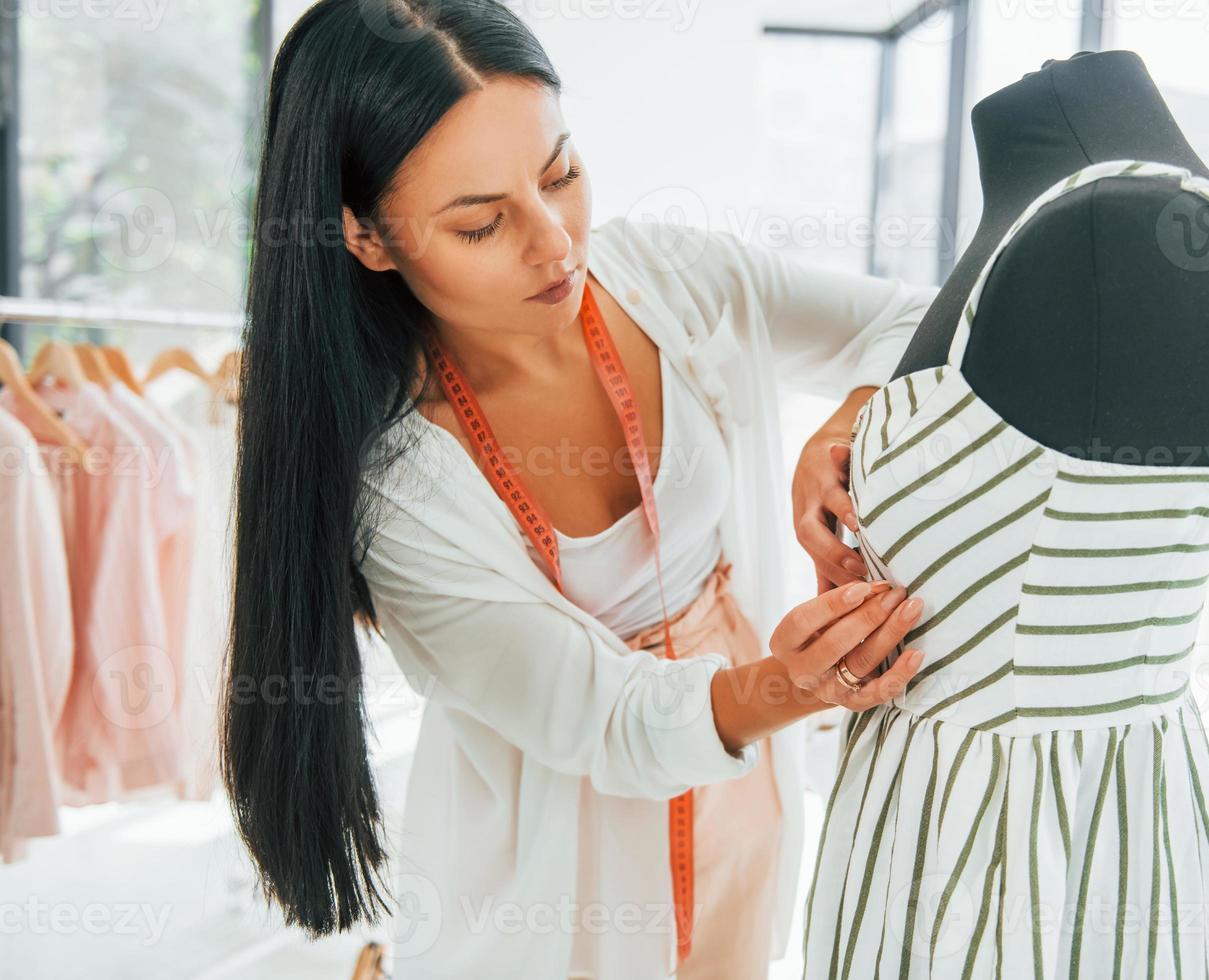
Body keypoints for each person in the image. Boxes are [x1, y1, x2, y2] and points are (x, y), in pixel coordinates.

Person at [219, 1, 938, 977]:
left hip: (741, 783)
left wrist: (846, 422)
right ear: (367, 237)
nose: (556, 244)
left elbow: (917, 326)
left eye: (561, 173)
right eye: (480, 223)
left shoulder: (667, 277)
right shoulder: (399, 491)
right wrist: (791, 685)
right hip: (549, 863)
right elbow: (610, 720)